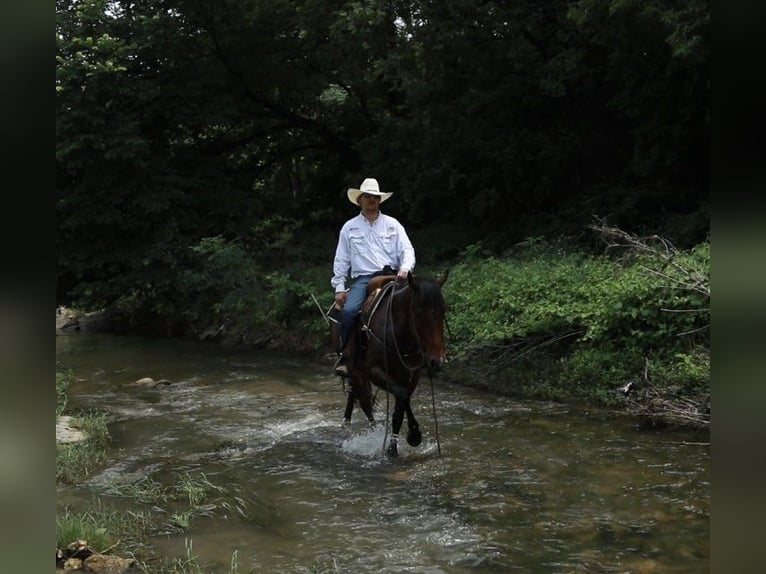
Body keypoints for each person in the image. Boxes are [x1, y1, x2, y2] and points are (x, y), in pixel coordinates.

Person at [331, 177, 416, 376]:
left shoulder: (393, 224)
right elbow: (341, 259)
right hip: (365, 279)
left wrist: (405, 268)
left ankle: (423, 354)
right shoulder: (349, 228)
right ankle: (346, 354)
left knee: (420, 306)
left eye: (375, 197)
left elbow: (407, 249)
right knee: (350, 311)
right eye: (368, 197)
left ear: (380, 200)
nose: (372, 200)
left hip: (395, 276)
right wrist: (339, 287)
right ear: (360, 200)